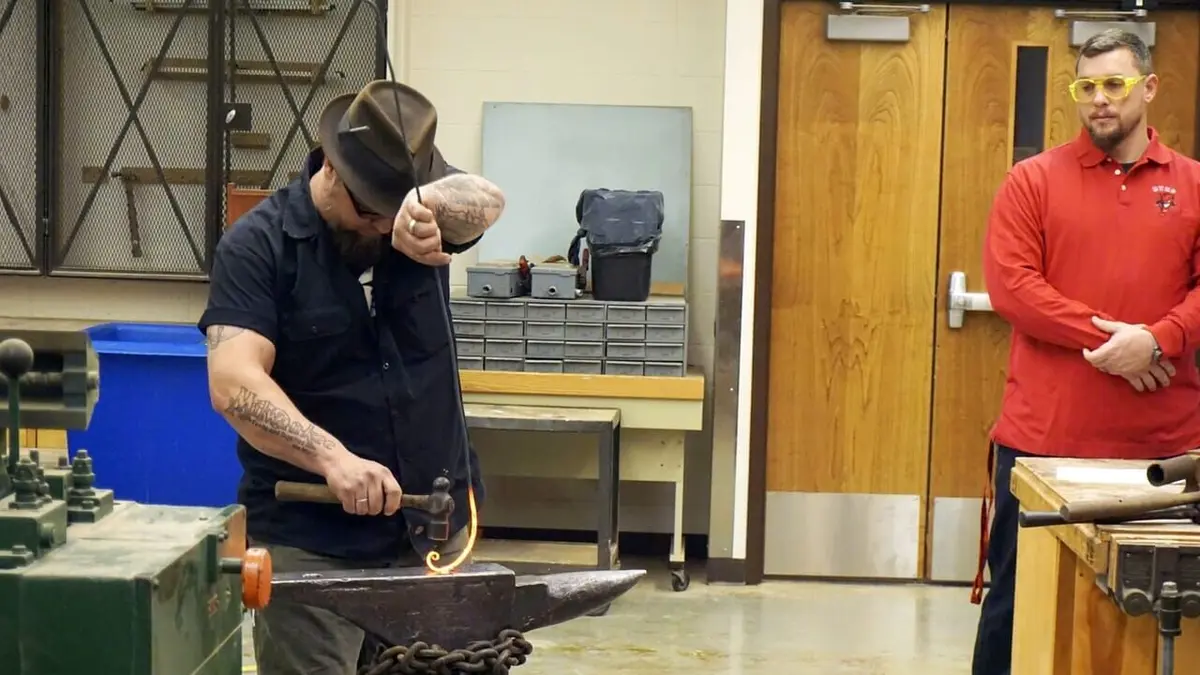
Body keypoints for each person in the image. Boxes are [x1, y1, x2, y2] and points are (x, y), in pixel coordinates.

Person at [197, 80, 506, 674]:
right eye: (370, 210)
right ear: (332, 171)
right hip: (311, 546)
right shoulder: (256, 248)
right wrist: (334, 459)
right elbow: (233, 383)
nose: (378, 227)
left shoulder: (414, 219)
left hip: (432, 535)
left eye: (392, 210)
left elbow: (489, 201)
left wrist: (425, 213)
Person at [970, 28, 1200, 674]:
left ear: (1149, 88)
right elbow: (1014, 288)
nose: (1100, 100)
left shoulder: (1193, 185)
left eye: (1115, 85)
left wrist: (1158, 339)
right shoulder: (1032, 181)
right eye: (1087, 87)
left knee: (1161, 618)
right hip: (1044, 447)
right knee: (1015, 608)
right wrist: (1116, 340)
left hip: (1163, 456)